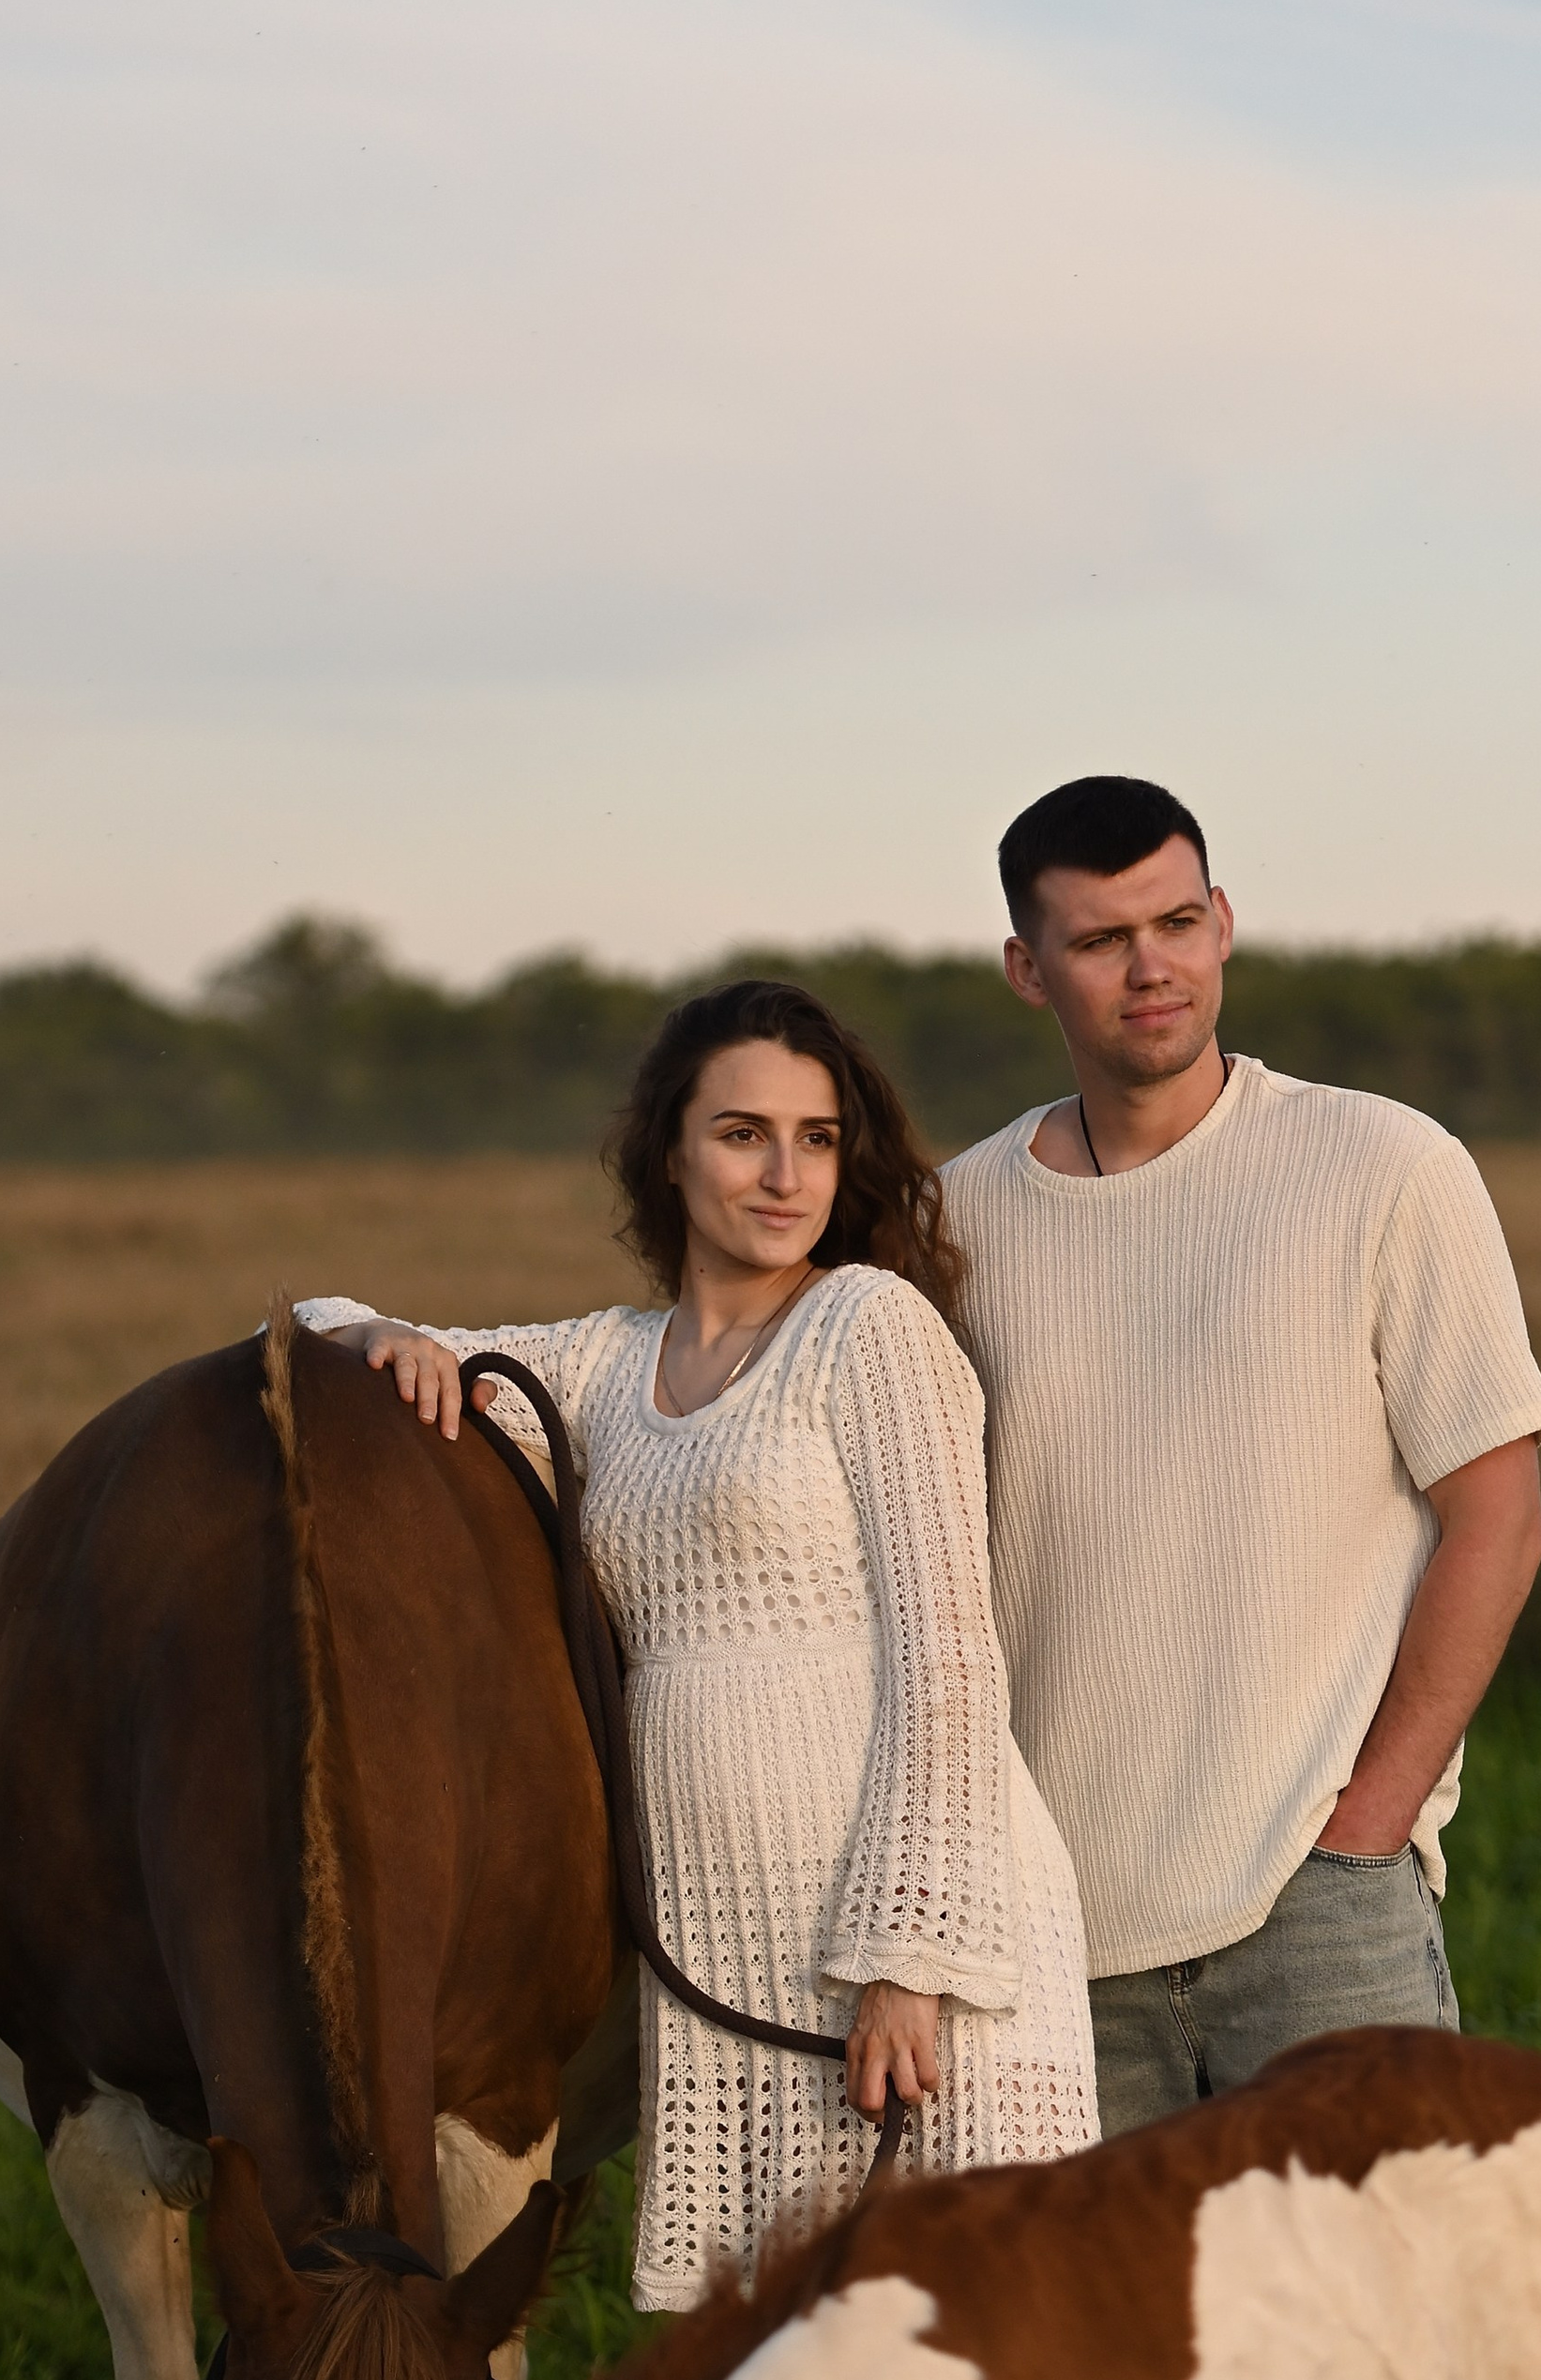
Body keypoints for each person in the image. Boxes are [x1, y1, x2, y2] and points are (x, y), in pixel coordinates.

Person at [944, 772, 1541, 2380]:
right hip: (1055, 1927)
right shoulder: (952, 1221)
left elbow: (1492, 1501)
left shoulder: (1376, 1167)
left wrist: (1377, 1801)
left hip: (1319, 1892)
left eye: (1181, 917)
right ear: (1025, 968)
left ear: (1225, 922)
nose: (1152, 963)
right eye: (1101, 935)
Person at [300, 975, 1097, 2308]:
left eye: (819, 1137)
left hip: (906, 1951)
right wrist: (385, 1334)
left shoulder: (868, 1329)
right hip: (732, 1959)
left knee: (961, 2365)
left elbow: (951, 1656)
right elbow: (316, 1330)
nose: (786, 1173)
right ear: (669, 1150)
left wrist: (907, 1962)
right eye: (743, 1133)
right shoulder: (607, 1368)